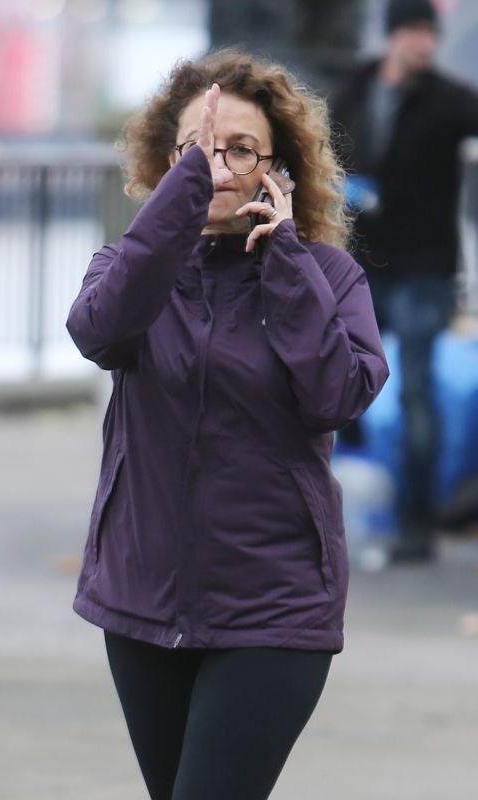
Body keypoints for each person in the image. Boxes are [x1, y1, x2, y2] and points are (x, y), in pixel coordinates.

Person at [66, 50, 388, 800]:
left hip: (273, 605)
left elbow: (337, 395)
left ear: (278, 167)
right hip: (141, 601)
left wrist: (282, 261)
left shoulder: (327, 277)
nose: (215, 166)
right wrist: (174, 212)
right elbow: (101, 334)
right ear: (165, 160)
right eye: (195, 150)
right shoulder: (129, 268)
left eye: (239, 148)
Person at [330, 0, 478, 561]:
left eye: (430, 35)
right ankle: (339, 502)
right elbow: (317, 148)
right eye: (415, 33)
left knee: (416, 391)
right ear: (392, 37)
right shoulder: (352, 91)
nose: (425, 45)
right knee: (337, 378)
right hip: (363, 263)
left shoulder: (450, 99)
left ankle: (417, 523)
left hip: (425, 268)